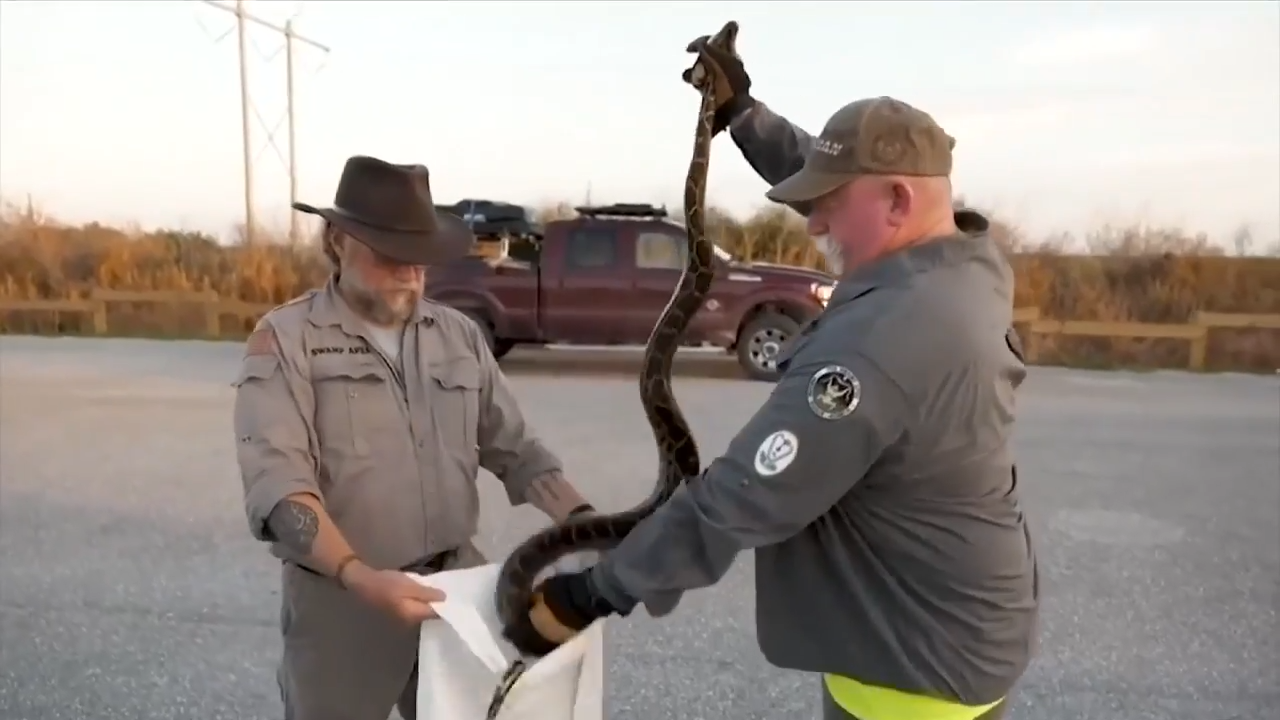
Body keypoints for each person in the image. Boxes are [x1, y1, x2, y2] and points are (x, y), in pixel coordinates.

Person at [504, 30, 1040, 720]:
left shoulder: (883, 340)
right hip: (961, 618)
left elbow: (743, 493)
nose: (814, 226)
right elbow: (841, 181)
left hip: (912, 671)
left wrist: (592, 594)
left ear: (898, 201)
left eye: (828, 206)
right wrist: (744, 116)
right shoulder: (965, 261)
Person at [232, 155, 598, 720]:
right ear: (337, 241)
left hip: (455, 598)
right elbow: (280, 487)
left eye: (419, 255)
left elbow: (518, 450)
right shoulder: (286, 340)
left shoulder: (460, 336)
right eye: (389, 252)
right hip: (344, 605)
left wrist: (588, 523)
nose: (408, 271)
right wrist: (359, 577)